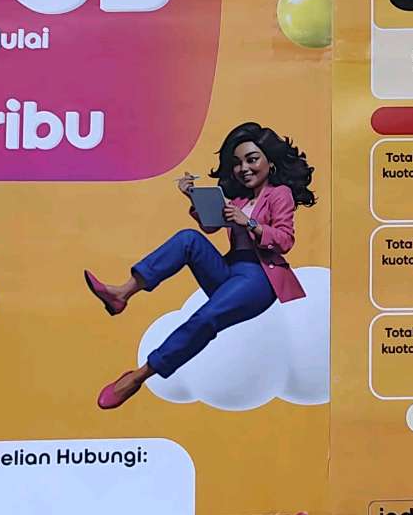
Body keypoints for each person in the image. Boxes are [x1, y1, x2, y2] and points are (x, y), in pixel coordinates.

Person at [84, 123, 315, 411]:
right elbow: (210, 227)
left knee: (206, 317)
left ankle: (138, 376)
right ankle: (122, 293)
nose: (244, 168)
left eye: (252, 159)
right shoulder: (240, 198)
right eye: (237, 163)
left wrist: (250, 223)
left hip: (258, 278)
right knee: (188, 239)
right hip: (230, 269)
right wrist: (194, 197)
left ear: (269, 161)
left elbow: (284, 240)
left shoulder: (279, 194)